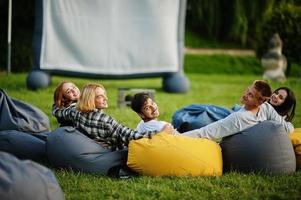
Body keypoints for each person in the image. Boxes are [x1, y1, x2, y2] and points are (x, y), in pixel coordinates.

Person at [52, 83, 174, 150]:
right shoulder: (105, 120)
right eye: (100, 96)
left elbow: (59, 112)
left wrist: (57, 105)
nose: (106, 98)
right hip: (116, 152)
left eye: (104, 94)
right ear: (90, 99)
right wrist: (161, 134)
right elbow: (131, 136)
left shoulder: (75, 113)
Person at [182, 80, 294, 140]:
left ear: (259, 102)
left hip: (226, 126)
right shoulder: (267, 108)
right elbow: (289, 126)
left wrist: (175, 137)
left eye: (250, 95)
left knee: (200, 123)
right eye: (247, 90)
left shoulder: (240, 118)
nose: (245, 94)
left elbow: (205, 133)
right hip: (234, 117)